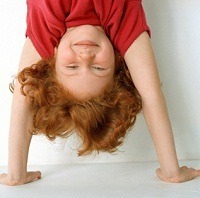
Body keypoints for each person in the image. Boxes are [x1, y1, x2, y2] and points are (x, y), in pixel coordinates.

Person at [0, 0, 199, 186]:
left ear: (52, 59)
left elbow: (24, 96)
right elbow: (150, 94)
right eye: (98, 69)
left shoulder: (48, 25)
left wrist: (16, 173)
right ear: (118, 64)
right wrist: (171, 171)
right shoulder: (121, 21)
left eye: (71, 67)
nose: (85, 57)